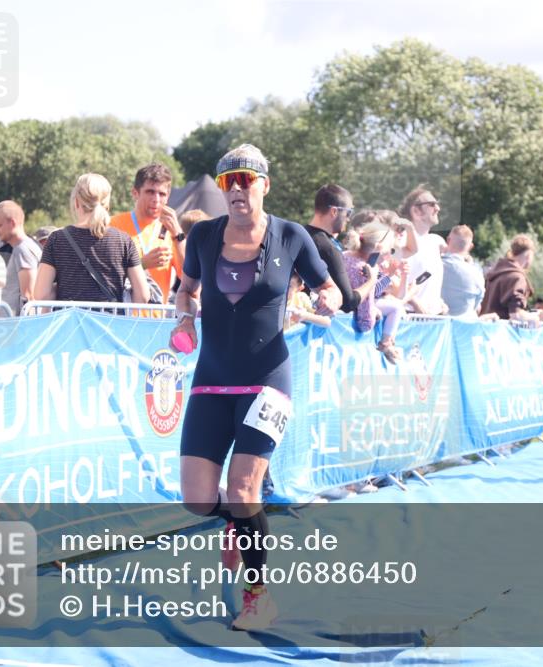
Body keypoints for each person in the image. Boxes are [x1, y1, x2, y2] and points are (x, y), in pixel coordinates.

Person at [169, 144, 340, 631]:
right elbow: (187, 289)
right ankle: (239, 522)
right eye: (229, 182)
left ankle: (257, 596)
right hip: (212, 378)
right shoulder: (202, 235)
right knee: (198, 498)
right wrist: (185, 318)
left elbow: (327, 287)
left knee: (244, 488)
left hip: (268, 380)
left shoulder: (292, 236)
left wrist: (324, 299)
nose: (238, 188)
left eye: (246, 179)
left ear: (265, 184)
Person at [33, 173, 149, 307]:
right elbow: (143, 296)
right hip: (109, 324)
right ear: (107, 204)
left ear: (76, 202)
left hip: (70, 324)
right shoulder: (124, 241)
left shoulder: (57, 239)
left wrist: (63, 290)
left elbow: (41, 295)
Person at [110, 163, 186, 304]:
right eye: (150, 192)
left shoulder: (171, 231)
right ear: (135, 193)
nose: (156, 199)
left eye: (162, 194)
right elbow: (104, 274)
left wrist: (178, 234)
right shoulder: (113, 225)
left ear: (167, 197)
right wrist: (141, 265)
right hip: (122, 317)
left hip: (156, 319)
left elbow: (189, 275)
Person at [304, 184, 377, 314]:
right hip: (314, 327)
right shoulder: (328, 249)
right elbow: (348, 302)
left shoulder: (298, 234)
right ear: (334, 211)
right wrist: (372, 281)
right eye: (348, 212)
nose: (348, 219)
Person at [344, 219, 408, 363]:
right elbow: (365, 321)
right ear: (379, 248)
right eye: (390, 250)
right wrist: (389, 276)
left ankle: (387, 342)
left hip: (343, 311)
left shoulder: (345, 255)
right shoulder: (364, 269)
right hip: (349, 319)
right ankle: (386, 342)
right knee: (396, 307)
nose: (390, 255)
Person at [479, 233, 543, 325]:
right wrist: (539, 317)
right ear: (529, 255)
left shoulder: (494, 273)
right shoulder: (517, 277)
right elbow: (516, 315)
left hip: (484, 332)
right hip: (502, 336)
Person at [397, 185, 447, 314]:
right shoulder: (401, 241)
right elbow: (390, 281)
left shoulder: (435, 242)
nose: (438, 208)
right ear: (416, 211)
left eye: (437, 204)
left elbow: (426, 281)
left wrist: (439, 302)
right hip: (409, 318)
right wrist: (415, 304)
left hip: (434, 319)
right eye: (431, 204)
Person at [0, 201, 40, 316]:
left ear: (12, 223)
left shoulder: (22, 249)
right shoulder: (24, 247)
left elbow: (28, 295)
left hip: (17, 325)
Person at [440, 225, 486, 317]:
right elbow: (477, 305)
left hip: (439, 325)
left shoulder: (436, 264)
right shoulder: (476, 272)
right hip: (467, 325)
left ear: (448, 240)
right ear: (471, 246)